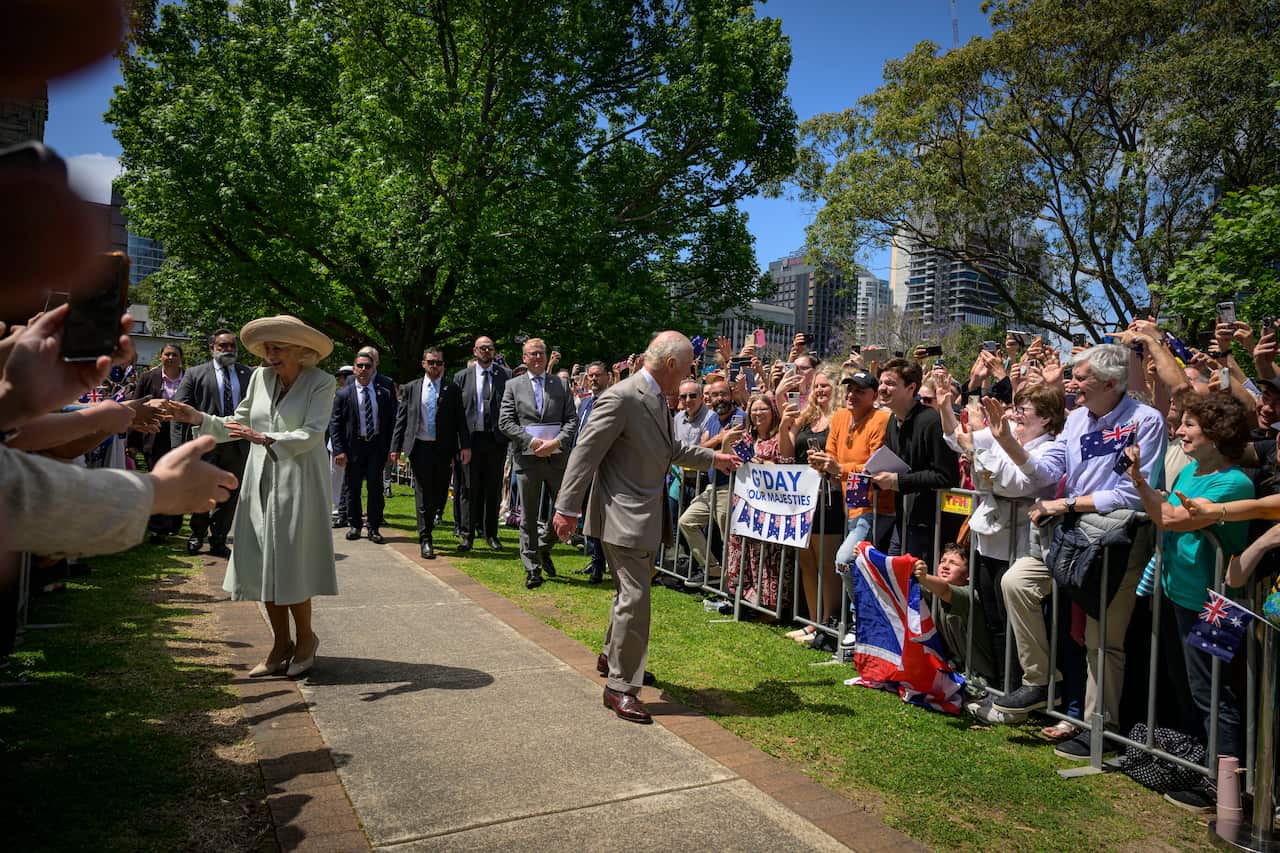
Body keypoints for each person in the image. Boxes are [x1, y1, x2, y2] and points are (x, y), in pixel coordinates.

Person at [551, 331, 741, 723]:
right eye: (690, 366)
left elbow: (668, 449)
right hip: (623, 518)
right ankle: (620, 686)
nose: (693, 373)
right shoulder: (622, 396)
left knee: (628, 595)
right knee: (635, 601)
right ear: (671, 364)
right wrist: (566, 508)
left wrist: (711, 457)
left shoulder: (655, 397)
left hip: (641, 518)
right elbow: (585, 453)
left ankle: (612, 657)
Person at [988, 344, 1166, 761]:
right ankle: (1039, 679)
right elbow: (1051, 473)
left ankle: (1100, 728)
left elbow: (1132, 495)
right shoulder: (1077, 420)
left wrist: (1067, 505)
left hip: (1119, 537)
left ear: (1110, 382)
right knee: (1017, 581)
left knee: (1102, 638)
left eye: (1081, 376)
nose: (1073, 383)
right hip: (1071, 535)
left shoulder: (1146, 421)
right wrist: (1009, 444)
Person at [165, 315, 338, 679]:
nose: (268, 355)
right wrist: (196, 415)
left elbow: (312, 432)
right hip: (260, 480)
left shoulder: (321, 382)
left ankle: (306, 640)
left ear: (298, 350)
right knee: (263, 564)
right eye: (266, 349)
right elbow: (238, 421)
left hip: (299, 483)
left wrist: (266, 438)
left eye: (276, 348)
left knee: (291, 563)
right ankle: (280, 644)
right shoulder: (260, 378)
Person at [1125, 394, 1252, 776]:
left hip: (1218, 604)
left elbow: (1170, 518)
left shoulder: (1234, 483)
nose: (1179, 431)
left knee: (1211, 691)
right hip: (1178, 593)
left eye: (1190, 425)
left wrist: (1138, 482)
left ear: (1216, 435)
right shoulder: (1189, 471)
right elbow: (1166, 507)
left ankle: (1223, 784)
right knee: (1185, 686)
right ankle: (1195, 767)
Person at [499, 337, 579, 588]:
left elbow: (571, 421)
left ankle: (543, 547)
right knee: (529, 517)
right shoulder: (513, 385)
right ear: (524, 358)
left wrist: (555, 443)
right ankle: (532, 568)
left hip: (556, 458)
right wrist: (531, 442)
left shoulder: (560, 385)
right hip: (528, 458)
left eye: (541, 353)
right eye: (532, 354)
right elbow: (506, 422)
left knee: (564, 510)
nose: (537, 357)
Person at [171, 329, 253, 558]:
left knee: (229, 492)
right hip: (204, 444)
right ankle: (197, 535)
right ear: (212, 348)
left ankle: (218, 539)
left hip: (237, 445)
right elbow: (180, 411)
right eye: (223, 346)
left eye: (232, 346)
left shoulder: (248, 374)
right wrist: (180, 448)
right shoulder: (195, 374)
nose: (228, 350)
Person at [870, 358, 960, 560]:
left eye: (891, 384)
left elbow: (946, 476)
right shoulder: (892, 421)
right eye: (882, 383)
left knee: (915, 587)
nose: (883, 388)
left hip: (928, 525)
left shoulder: (931, 421)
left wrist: (897, 482)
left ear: (911, 388)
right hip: (903, 521)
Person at [779, 364, 844, 627]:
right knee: (806, 562)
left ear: (836, 388)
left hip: (829, 497)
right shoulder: (805, 418)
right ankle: (812, 621)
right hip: (802, 498)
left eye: (824, 385)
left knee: (827, 564)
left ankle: (828, 623)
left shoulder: (842, 417)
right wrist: (784, 427)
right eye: (816, 386)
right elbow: (787, 453)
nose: (819, 391)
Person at [391, 347, 471, 560]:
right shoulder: (412, 388)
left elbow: (460, 420)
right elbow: (402, 420)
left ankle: (431, 520)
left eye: (438, 363)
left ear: (443, 365)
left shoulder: (451, 389)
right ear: (423, 364)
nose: (435, 366)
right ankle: (425, 538)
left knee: (439, 493)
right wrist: (395, 448)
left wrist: (464, 446)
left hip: (444, 449)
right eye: (431, 362)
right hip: (420, 447)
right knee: (423, 493)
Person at [725, 393, 793, 612]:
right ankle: (744, 598)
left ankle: (770, 605)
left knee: (767, 557)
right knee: (745, 552)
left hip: (769, 508)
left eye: (763, 409)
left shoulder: (778, 439)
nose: (757, 413)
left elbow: (786, 464)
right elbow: (729, 463)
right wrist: (726, 442)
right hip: (746, 506)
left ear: (772, 412)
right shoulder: (747, 439)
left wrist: (762, 463)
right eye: (754, 409)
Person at [679, 379, 746, 587]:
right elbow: (702, 448)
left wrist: (717, 447)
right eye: (715, 395)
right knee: (687, 522)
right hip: (711, 487)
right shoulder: (712, 419)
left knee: (730, 541)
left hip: (730, 486)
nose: (719, 399)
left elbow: (733, 454)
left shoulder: (739, 417)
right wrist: (719, 439)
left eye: (723, 394)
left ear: (731, 395)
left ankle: (735, 588)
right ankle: (713, 570)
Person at [330, 350, 398, 544]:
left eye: (367, 366)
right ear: (354, 369)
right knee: (352, 488)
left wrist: (392, 448)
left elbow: (390, 422)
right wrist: (339, 450)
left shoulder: (383, 393)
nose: (363, 370)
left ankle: (374, 527)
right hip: (353, 448)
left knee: (375, 488)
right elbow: (335, 424)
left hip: (376, 447)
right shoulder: (343, 394)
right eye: (360, 366)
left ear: (374, 368)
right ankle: (354, 525)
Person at [454, 335, 510, 551]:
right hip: (470, 441)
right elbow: (457, 414)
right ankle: (467, 535)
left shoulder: (504, 376)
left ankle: (491, 534)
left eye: (490, 348)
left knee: (493, 489)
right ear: (474, 351)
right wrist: (460, 443)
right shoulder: (462, 377)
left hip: (495, 440)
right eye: (483, 348)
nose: (487, 351)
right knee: (468, 489)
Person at [130, 342, 185, 542]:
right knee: (158, 479)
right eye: (167, 354)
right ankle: (156, 529)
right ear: (160, 357)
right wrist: (132, 441)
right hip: (154, 433)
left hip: (181, 434)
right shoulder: (148, 377)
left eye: (174, 355)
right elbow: (135, 406)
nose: (170, 358)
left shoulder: (189, 377)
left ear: (180, 358)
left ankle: (174, 524)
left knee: (178, 479)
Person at [574, 362, 612, 582]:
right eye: (591, 376)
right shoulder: (586, 403)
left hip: (602, 467)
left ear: (608, 377)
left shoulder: (613, 401)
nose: (594, 379)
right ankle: (594, 559)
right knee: (589, 516)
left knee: (599, 517)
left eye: (598, 375)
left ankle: (600, 564)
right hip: (583, 466)